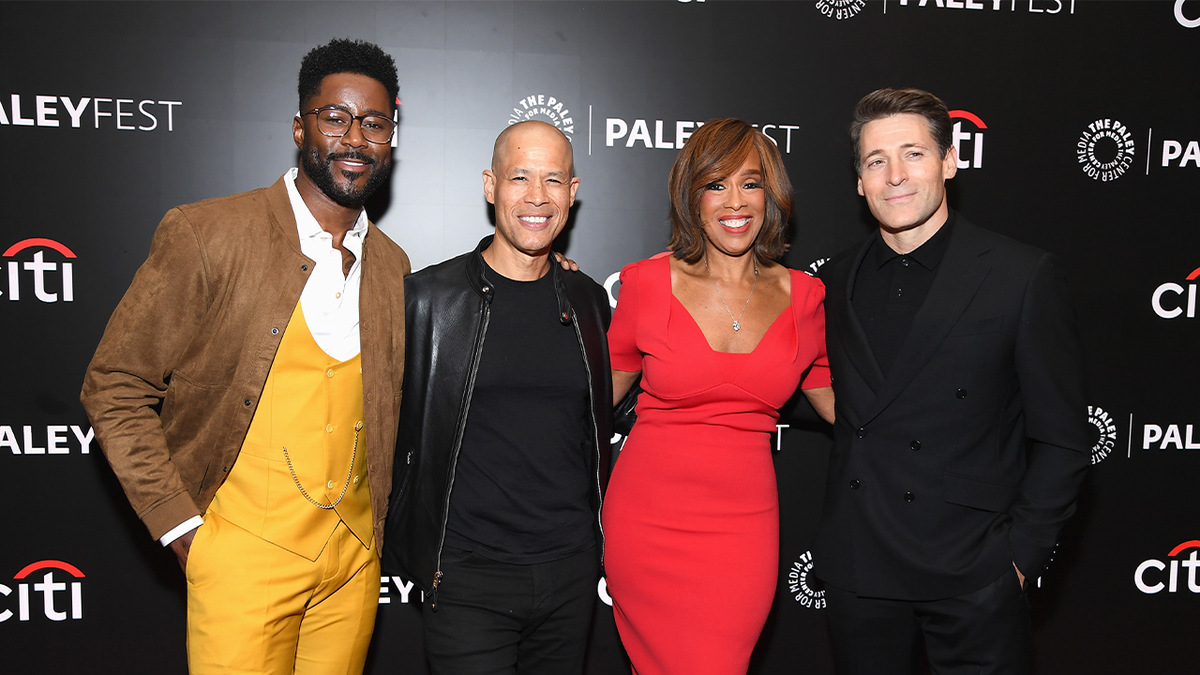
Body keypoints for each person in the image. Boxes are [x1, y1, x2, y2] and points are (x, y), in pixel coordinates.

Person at [80, 39, 409, 674]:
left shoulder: (394, 266)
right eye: (334, 117)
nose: (355, 138)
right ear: (299, 127)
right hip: (241, 563)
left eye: (374, 123)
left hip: (353, 568)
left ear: (391, 136)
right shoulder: (210, 234)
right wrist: (181, 529)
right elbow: (115, 383)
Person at [813, 88, 1091, 675]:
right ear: (859, 182)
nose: (895, 176)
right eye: (875, 161)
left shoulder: (1020, 274)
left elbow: (1064, 436)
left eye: (913, 153)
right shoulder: (834, 279)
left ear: (950, 161)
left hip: (973, 569)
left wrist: (1021, 558)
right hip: (860, 568)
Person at [604, 118, 835, 675]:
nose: (735, 201)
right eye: (716, 184)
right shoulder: (646, 284)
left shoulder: (805, 297)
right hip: (647, 520)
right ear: (693, 196)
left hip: (742, 528)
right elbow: (587, 402)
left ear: (771, 194)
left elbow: (855, 411)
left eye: (751, 183)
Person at [383, 120, 613, 675]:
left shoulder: (588, 301)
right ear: (490, 186)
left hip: (571, 572)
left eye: (553, 180)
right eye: (520, 177)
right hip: (466, 576)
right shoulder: (428, 301)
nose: (537, 197)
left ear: (573, 193)